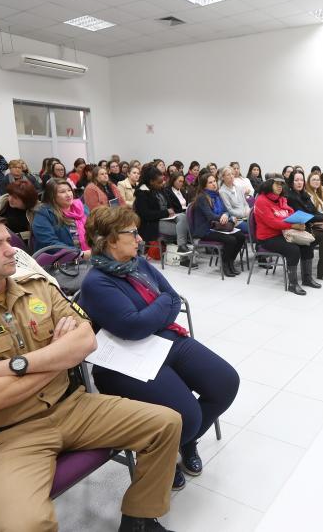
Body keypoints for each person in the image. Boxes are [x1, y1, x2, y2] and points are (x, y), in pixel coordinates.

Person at [0, 209, 184, 532]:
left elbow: (84, 342)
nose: (11, 249)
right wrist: (59, 357)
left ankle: (139, 520)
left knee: (166, 423)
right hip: (6, 435)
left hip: (73, 407)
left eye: (6, 240)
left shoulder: (38, 288)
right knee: (23, 525)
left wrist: (18, 365)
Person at [80, 206, 239, 490]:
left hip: (164, 340)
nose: (140, 238)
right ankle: (163, 454)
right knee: (186, 417)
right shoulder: (96, 282)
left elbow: (172, 299)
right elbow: (133, 327)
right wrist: (160, 308)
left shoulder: (137, 264)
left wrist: (155, 312)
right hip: (125, 359)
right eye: (132, 232)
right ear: (111, 239)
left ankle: (183, 443)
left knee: (225, 382)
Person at [253, 177, 320, 295]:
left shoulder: (281, 199)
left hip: (284, 233)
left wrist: (299, 221)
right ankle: (292, 284)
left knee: (307, 244)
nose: (280, 187)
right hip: (268, 237)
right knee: (293, 249)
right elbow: (272, 222)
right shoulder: (261, 201)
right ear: (269, 185)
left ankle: (307, 279)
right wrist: (293, 225)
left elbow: (290, 213)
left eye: (281, 184)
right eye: (277, 184)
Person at [189, 173, 246, 277]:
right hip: (205, 230)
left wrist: (226, 215)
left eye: (214, 181)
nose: (214, 184)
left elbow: (226, 211)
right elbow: (210, 216)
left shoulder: (217, 195)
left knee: (241, 237)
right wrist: (222, 217)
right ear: (204, 185)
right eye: (210, 182)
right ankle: (224, 264)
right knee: (231, 240)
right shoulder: (202, 197)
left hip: (217, 227)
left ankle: (230, 261)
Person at [286, 170, 323, 281]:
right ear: (291, 182)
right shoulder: (290, 197)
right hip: (300, 229)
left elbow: (314, 211)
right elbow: (304, 215)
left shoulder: (304, 194)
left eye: (301, 180)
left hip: (309, 226)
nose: (299, 182)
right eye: (296, 180)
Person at [32, 178, 90, 258]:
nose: (68, 194)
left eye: (69, 190)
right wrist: (79, 254)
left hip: (89, 255)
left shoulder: (82, 208)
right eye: (62, 192)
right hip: (60, 261)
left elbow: (95, 230)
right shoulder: (43, 214)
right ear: (52, 196)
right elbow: (50, 243)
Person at [134, 166, 177, 256]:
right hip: (151, 225)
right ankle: (181, 249)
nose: (162, 184)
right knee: (180, 227)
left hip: (164, 220)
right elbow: (146, 215)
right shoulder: (142, 193)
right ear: (151, 182)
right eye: (159, 182)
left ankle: (180, 248)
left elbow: (170, 205)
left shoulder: (159, 189)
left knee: (183, 219)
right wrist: (166, 212)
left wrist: (170, 211)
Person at [0, 179, 40, 244]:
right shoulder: (2, 201)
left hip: (20, 244)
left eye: (15, 198)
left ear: (26, 200)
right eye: (9, 195)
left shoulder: (38, 211)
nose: (9, 199)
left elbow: (36, 235)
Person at [218, 166, 250, 234]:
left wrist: (248, 210)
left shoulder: (238, 187)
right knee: (253, 229)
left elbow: (245, 203)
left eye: (232, 174)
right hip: (237, 220)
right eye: (228, 174)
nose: (231, 176)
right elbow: (229, 210)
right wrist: (243, 214)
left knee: (262, 225)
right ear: (223, 178)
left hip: (246, 217)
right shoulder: (222, 191)